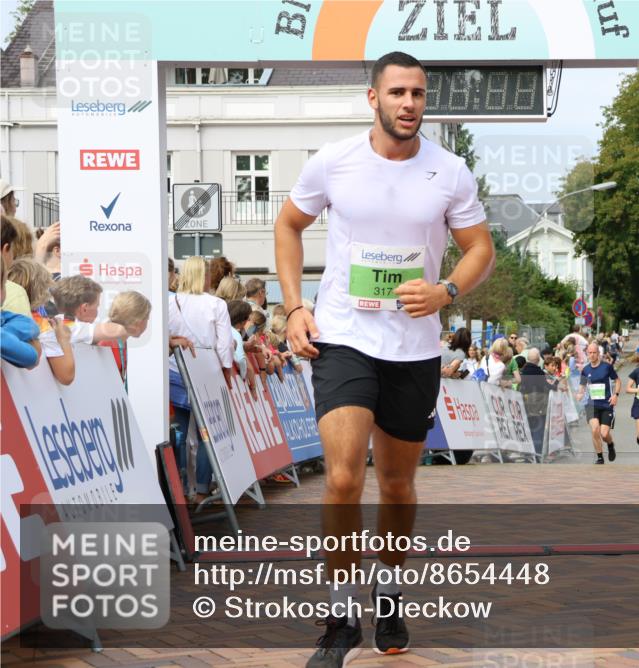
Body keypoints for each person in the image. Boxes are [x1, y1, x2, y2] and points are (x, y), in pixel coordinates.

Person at [274, 51, 494, 666]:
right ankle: (341, 616)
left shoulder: (450, 171)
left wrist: (446, 290)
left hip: (413, 347)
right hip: (344, 336)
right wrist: (294, 308)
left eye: (418, 93)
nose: (408, 103)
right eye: (397, 92)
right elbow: (288, 226)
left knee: (397, 483)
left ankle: (390, 591)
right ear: (373, 98)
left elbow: (480, 248)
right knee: (344, 477)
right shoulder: (333, 161)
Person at [167, 256, 236, 502]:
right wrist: (226, 370)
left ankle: (180, 487)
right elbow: (225, 344)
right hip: (206, 372)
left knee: (179, 431)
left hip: (175, 369)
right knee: (207, 432)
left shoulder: (169, 302)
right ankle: (202, 488)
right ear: (205, 276)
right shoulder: (216, 304)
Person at [576, 342, 620, 464]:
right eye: (590, 353)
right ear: (587, 354)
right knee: (595, 429)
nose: (592, 355)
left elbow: (617, 381)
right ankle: (600, 457)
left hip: (606, 404)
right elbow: (582, 385)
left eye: (594, 352)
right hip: (592, 405)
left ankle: (610, 444)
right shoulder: (585, 370)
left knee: (604, 434)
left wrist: (615, 395)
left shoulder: (606, 367)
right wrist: (580, 394)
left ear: (599, 353)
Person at [100, 290, 152, 390]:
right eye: (147, 319)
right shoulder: (107, 342)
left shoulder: (118, 339)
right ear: (138, 321)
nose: (147, 323)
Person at [0, 255, 40, 368]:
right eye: (5, 284)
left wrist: (5, 332)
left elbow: (31, 326)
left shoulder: (3, 316)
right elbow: (31, 357)